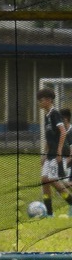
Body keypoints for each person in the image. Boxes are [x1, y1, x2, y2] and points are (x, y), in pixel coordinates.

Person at [40, 87, 71, 216]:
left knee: (52, 179)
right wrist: (45, 154)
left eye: (41, 100)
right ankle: (49, 213)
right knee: (44, 180)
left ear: (48, 100)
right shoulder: (47, 116)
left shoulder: (55, 114)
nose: (39, 103)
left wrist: (58, 151)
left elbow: (63, 132)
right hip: (50, 153)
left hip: (59, 152)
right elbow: (49, 137)